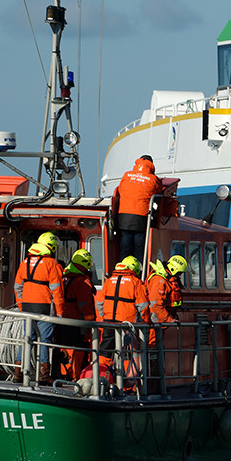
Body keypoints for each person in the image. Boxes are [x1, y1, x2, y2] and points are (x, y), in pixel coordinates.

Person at [15, 233, 67, 385]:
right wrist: (60, 312)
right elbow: (57, 290)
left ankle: (18, 373)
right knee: (44, 340)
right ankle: (44, 376)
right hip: (45, 308)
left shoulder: (25, 262)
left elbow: (17, 287)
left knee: (26, 339)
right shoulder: (52, 264)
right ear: (51, 247)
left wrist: (21, 305)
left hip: (27, 308)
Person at [95, 255, 147, 387]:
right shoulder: (136, 282)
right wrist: (147, 323)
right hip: (126, 324)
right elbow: (143, 306)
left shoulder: (109, 280)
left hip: (108, 322)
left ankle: (101, 379)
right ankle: (127, 384)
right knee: (127, 353)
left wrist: (104, 316)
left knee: (105, 350)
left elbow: (100, 303)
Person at [55, 247, 98, 380]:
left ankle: (59, 373)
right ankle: (77, 376)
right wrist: (90, 325)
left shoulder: (64, 277)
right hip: (78, 323)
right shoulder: (82, 283)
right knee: (82, 347)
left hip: (62, 320)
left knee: (60, 347)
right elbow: (85, 307)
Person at [112, 155, 160, 260]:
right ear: (151, 165)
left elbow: (120, 190)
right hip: (141, 216)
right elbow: (159, 191)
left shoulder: (127, 175)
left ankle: (123, 268)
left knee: (125, 245)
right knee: (139, 245)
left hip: (124, 216)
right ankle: (139, 269)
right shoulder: (153, 179)